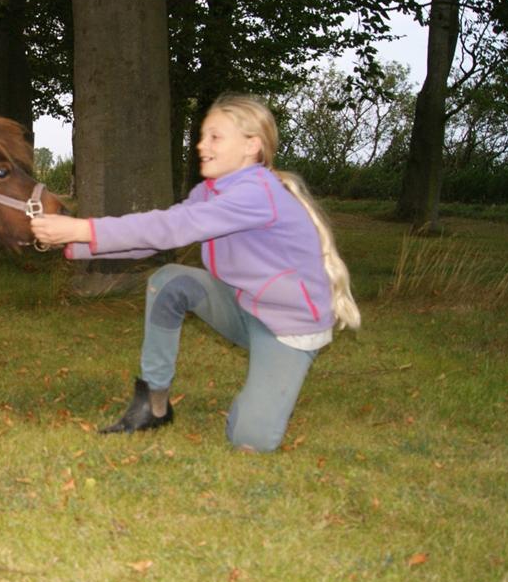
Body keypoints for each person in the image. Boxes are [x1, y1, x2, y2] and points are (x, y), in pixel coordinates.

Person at [31, 93, 361, 452]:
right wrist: (73, 244)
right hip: (244, 306)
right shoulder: (210, 191)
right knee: (170, 281)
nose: (202, 146)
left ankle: (266, 395)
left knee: (249, 440)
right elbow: (154, 238)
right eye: (202, 136)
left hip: (288, 328)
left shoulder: (257, 193)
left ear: (251, 145)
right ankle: (154, 405)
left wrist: (82, 228)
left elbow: (171, 228)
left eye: (215, 137)